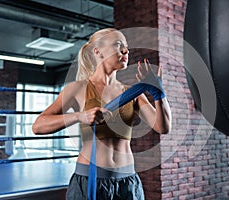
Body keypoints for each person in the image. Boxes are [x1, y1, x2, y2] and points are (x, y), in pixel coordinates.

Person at [32, 28, 171, 200]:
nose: (126, 51)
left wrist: (159, 94)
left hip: (128, 183)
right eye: (118, 45)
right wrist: (79, 116)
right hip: (89, 179)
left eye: (126, 47)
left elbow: (162, 127)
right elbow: (38, 126)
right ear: (97, 51)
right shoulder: (77, 89)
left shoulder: (132, 93)